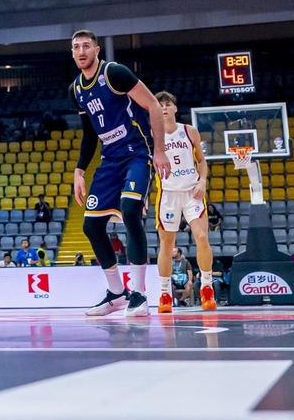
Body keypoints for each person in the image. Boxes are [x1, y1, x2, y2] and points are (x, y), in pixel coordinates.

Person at [67, 31, 171, 320]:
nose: (81, 51)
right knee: (91, 226)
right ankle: (117, 294)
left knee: (130, 211)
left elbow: (152, 104)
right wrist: (79, 172)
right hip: (110, 159)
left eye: (86, 46)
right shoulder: (75, 89)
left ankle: (139, 294)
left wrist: (159, 150)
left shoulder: (114, 73)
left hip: (137, 151)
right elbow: (89, 135)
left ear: (97, 50)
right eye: (76, 47)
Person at [151, 91, 216, 312]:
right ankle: (164, 295)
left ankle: (207, 288)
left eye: (167, 104)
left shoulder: (189, 131)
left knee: (202, 237)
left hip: (192, 192)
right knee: (167, 246)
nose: (164, 108)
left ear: (175, 109)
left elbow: (202, 161)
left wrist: (203, 180)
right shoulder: (152, 135)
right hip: (167, 194)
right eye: (159, 105)